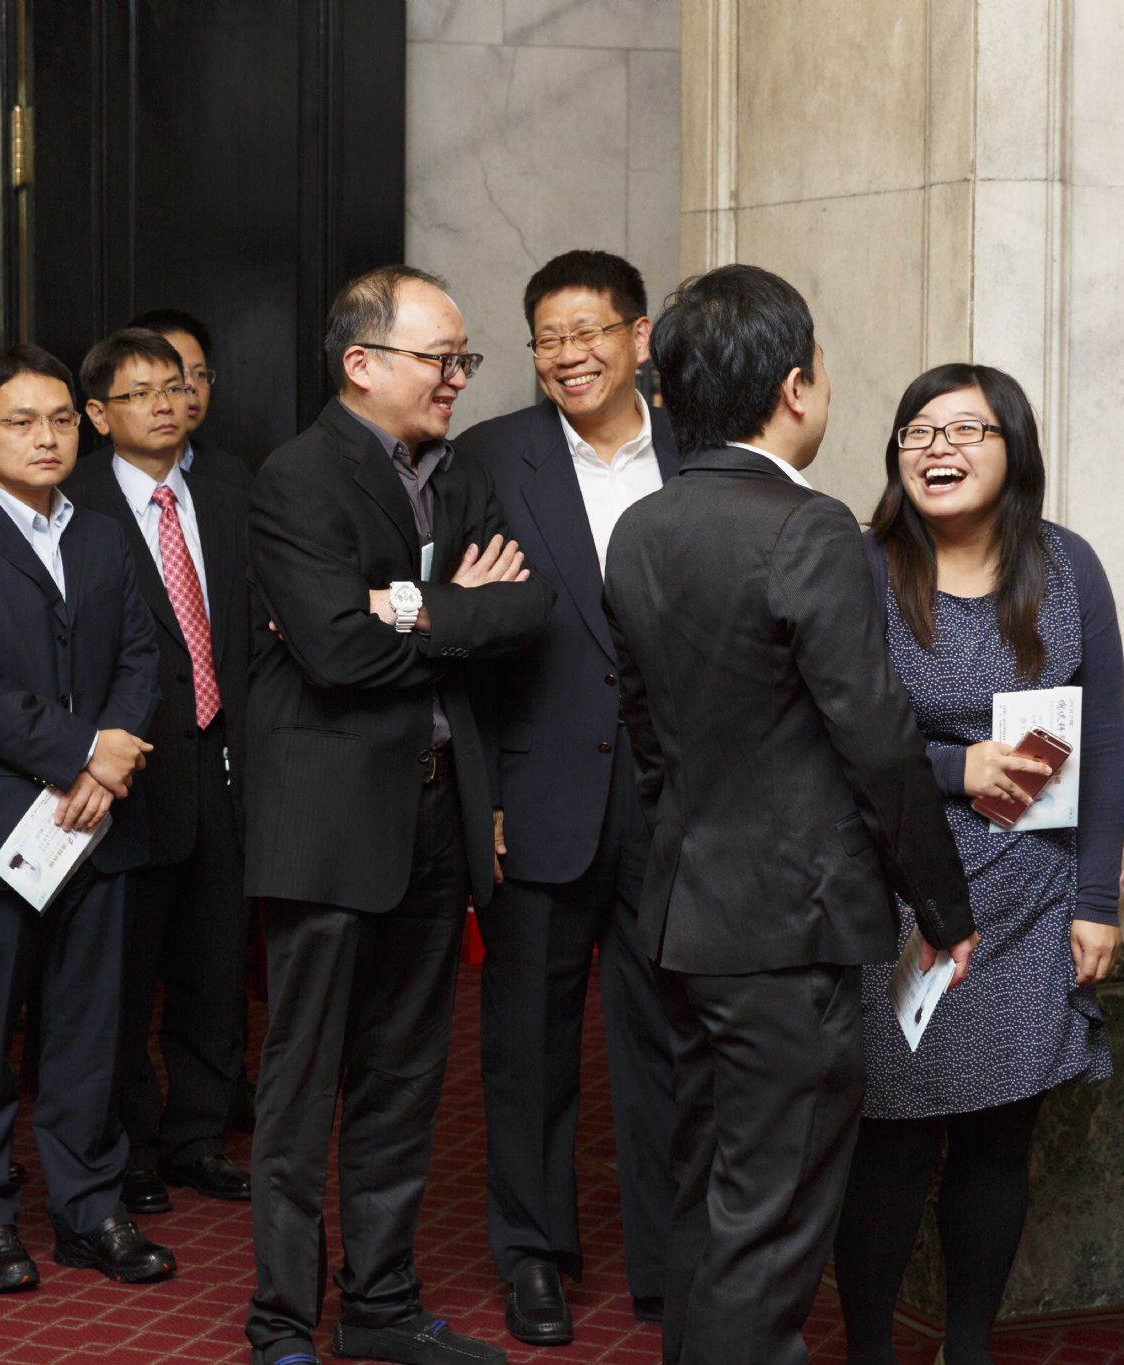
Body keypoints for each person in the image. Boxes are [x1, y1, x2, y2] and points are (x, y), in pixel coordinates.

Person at [600, 264, 977, 1365]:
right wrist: (942, 905)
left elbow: (647, 735)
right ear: (794, 387)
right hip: (785, 925)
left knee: (712, 1191)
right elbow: (876, 738)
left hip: (686, 916)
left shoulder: (640, 527)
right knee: (769, 1222)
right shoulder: (806, 527)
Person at [243, 264, 553, 1365]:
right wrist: (454, 610)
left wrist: (406, 605)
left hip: (436, 815)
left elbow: (527, 609)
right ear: (361, 363)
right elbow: (333, 650)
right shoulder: (297, 477)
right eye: (440, 358)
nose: (458, 378)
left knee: (405, 1080)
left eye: (464, 359)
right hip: (328, 826)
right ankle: (281, 1323)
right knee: (302, 1085)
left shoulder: (458, 476)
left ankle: (378, 1309)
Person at [830, 364, 1124, 1364]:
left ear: (1014, 449)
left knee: (1001, 1138)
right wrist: (955, 768)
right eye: (917, 430)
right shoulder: (863, 569)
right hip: (903, 897)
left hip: (1033, 895)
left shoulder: (1066, 567)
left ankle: (968, 1348)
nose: (937, 448)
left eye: (964, 429)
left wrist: (1096, 898)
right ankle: (868, 1348)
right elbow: (827, 736)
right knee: (894, 1139)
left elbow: (1101, 740)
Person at [0, 343, 172, 1294]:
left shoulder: (103, 536)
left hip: (99, 823)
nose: (46, 436)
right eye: (20, 421)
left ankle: (88, 1207)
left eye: (60, 418)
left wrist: (112, 756)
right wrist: (84, 754)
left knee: (92, 1028)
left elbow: (143, 655)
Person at [458, 249, 678, 1345]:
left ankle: (670, 1262)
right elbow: (463, 643)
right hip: (535, 791)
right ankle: (534, 1255)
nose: (567, 355)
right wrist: (481, 792)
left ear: (638, 337)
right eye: (547, 338)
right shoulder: (491, 458)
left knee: (667, 1039)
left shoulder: (697, 453)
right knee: (527, 1044)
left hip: (675, 801)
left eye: (588, 332)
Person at [66, 328, 253, 1214]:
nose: (165, 404)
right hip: (128, 771)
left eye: (174, 387)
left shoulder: (230, 491)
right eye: (138, 393)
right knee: (122, 976)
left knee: (215, 968)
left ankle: (197, 1135)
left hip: (226, 763)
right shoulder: (74, 503)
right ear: (98, 414)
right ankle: (131, 1145)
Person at [129, 307, 253, 489]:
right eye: (176, 374)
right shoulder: (89, 481)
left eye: (200, 374)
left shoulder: (232, 475)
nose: (191, 385)